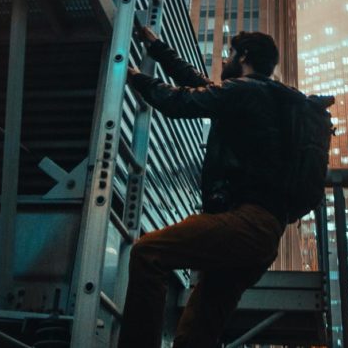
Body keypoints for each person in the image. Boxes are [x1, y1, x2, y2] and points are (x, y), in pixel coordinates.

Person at [117, 27, 294, 348]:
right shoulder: (263, 98)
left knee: (148, 253)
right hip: (263, 238)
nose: (225, 60)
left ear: (243, 57)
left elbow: (180, 101)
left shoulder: (245, 91)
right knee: (196, 338)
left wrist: (134, 77)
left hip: (246, 222)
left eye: (229, 54)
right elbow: (197, 83)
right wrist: (156, 46)